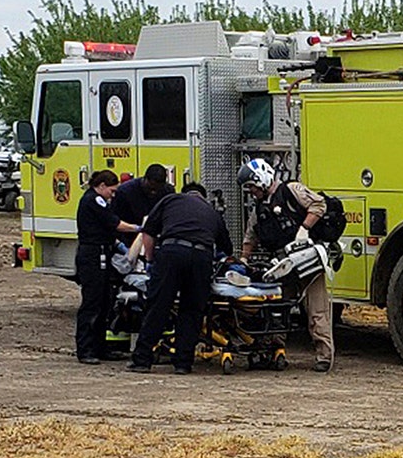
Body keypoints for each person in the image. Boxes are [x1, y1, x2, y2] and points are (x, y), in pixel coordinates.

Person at [237, 159, 334, 373]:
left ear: (260, 179)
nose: (252, 192)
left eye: (252, 187)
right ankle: (275, 350)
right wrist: (244, 258)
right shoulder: (260, 208)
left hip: (306, 259)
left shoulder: (291, 190)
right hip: (282, 264)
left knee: (316, 310)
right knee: (277, 308)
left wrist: (304, 228)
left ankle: (324, 355)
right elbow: (250, 235)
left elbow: (318, 205)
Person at [128, 182, 233, 375]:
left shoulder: (170, 200)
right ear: (202, 197)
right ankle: (183, 364)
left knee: (158, 306)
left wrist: (150, 259)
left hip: (171, 252)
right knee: (192, 310)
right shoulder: (212, 212)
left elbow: (148, 232)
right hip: (201, 258)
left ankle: (142, 360)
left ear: (183, 193)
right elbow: (227, 248)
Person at [75, 169, 143, 365]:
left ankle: (100, 347)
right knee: (92, 303)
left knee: (105, 302)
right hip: (93, 256)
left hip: (103, 251)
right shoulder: (94, 200)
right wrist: (138, 228)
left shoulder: (98, 201)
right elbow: (115, 224)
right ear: (102, 186)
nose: (113, 195)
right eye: (111, 191)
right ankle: (86, 349)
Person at [112, 164, 175, 246]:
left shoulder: (168, 192)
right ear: (145, 179)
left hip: (157, 237)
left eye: (157, 189)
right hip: (129, 236)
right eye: (150, 188)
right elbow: (115, 219)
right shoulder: (125, 192)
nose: (153, 192)